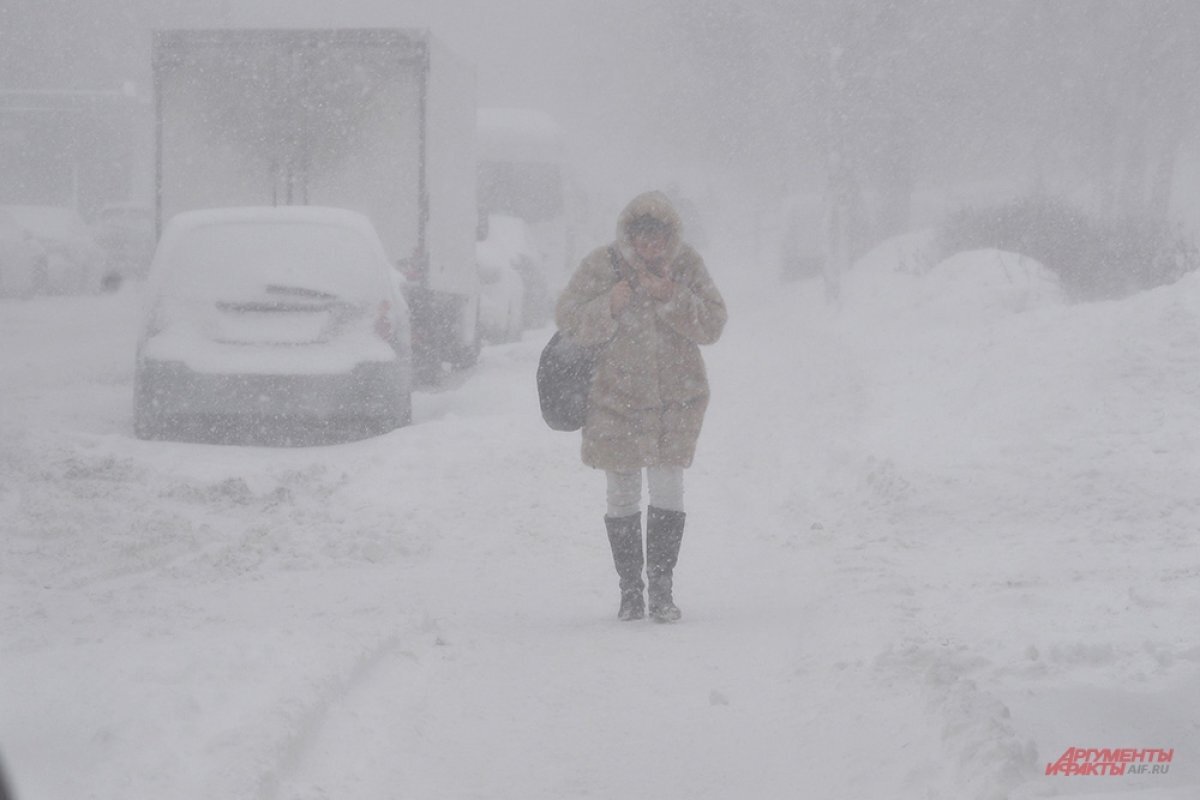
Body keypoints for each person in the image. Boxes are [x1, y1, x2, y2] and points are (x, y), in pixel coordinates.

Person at [555, 191, 727, 622]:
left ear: (672, 238)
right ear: (629, 237)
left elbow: (714, 323)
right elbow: (567, 318)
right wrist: (607, 307)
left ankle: (662, 588)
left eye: (660, 239)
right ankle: (631, 589)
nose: (652, 247)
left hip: (677, 398)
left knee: (669, 486)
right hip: (614, 399)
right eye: (643, 238)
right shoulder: (602, 265)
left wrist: (671, 294)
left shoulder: (687, 267)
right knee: (622, 491)